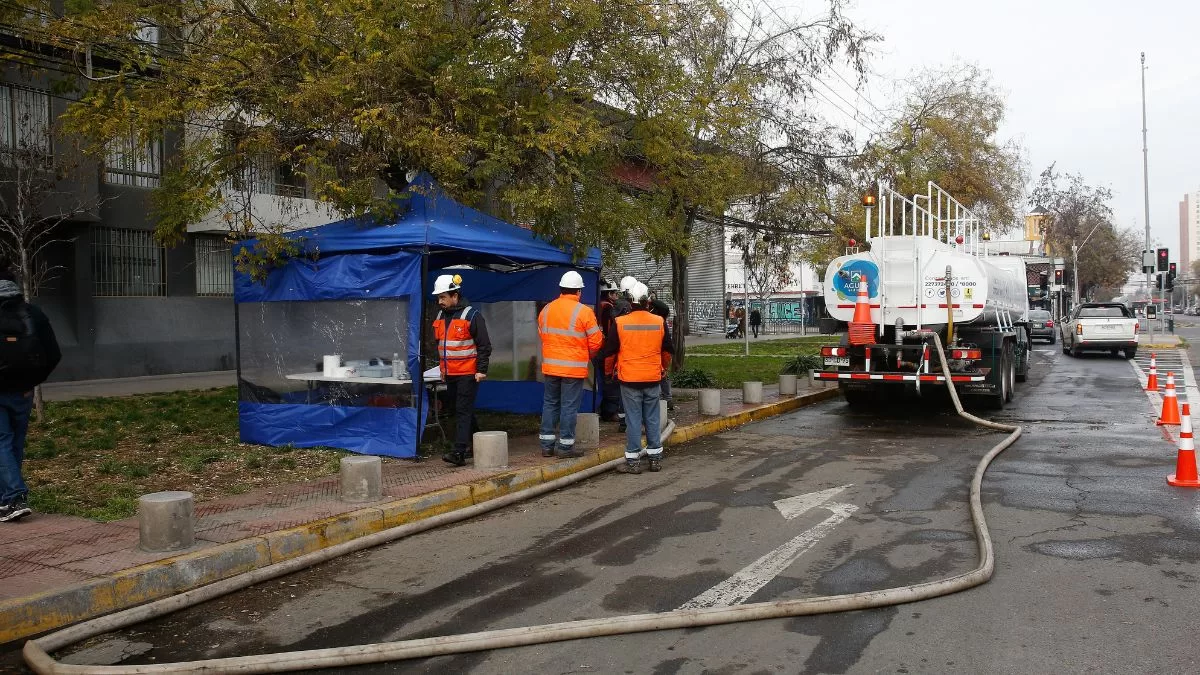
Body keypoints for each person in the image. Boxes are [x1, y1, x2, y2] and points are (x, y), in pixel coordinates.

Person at [0, 265, 61, 522]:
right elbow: (54, 354)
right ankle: (8, 498)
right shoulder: (32, 313)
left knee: (1, 441)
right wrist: (32, 383)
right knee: (13, 443)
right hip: (23, 391)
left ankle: (14, 496)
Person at [602, 282, 674, 474]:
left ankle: (633, 461)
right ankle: (655, 459)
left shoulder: (620, 323)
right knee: (652, 418)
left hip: (629, 378)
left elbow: (610, 353)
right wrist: (663, 368)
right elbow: (667, 351)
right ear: (647, 301)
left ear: (629, 300)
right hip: (652, 377)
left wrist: (609, 373)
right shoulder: (659, 322)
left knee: (633, 419)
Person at [537, 271, 604, 458]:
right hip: (573, 369)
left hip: (551, 367)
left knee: (550, 403)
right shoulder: (584, 312)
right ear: (578, 292)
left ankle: (546, 446)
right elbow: (596, 341)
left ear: (561, 289)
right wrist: (588, 355)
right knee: (568, 406)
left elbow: (543, 334)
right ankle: (565, 447)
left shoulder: (547, 309)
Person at [430, 274, 491, 467]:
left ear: (455, 296)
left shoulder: (472, 315)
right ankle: (477, 442)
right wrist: (442, 368)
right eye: (438, 297)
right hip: (450, 373)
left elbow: (484, 345)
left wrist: (481, 370)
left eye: (443, 297)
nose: (440, 301)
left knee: (462, 410)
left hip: (468, 372)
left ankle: (459, 452)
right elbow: (441, 346)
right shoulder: (440, 316)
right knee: (463, 409)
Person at [596, 279, 623, 422]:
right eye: (615, 293)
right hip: (606, 349)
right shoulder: (608, 308)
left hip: (597, 348)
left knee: (600, 380)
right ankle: (610, 411)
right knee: (610, 380)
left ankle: (601, 409)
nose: (617, 296)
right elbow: (610, 330)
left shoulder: (595, 305)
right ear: (609, 294)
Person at [647, 290, 674, 412]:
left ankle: (660, 401)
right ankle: (668, 399)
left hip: (656, 355)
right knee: (664, 376)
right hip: (662, 353)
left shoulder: (655, 320)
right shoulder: (661, 321)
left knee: (658, 377)